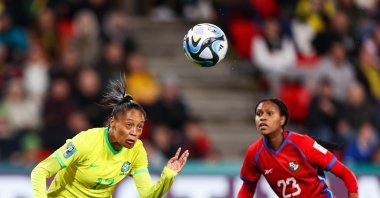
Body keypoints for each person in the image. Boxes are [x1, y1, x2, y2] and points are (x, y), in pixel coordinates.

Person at [30, 79, 189, 197]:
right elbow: (40, 171)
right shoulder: (86, 141)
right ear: (112, 122)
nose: (134, 132)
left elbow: (147, 195)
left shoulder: (136, 150)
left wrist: (168, 175)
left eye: (139, 127)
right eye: (128, 125)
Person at [238, 98, 358, 198]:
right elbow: (247, 189)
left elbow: (345, 173)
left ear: (282, 119)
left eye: (269, 113)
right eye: (259, 114)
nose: (262, 118)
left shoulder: (303, 143)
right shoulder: (254, 153)